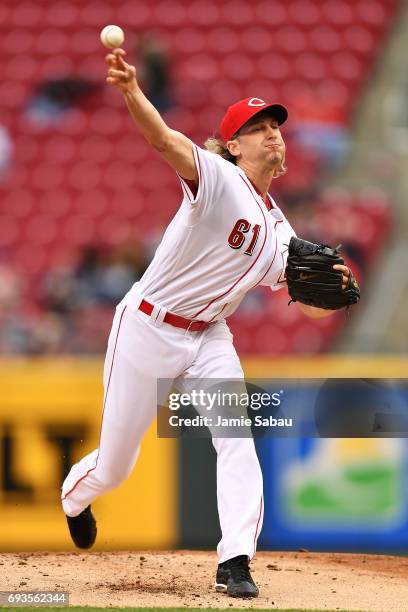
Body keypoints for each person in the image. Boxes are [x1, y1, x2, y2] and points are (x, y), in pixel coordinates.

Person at [61, 48, 352, 598]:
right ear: (233, 145)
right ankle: (75, 496)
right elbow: (164, 141)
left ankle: (235, 561)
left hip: (209, 338)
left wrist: (336, 296)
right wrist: (131, 91)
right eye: (258, 128)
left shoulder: (283, 233)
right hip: (147, 327)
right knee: (116, 466)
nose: (272, 135)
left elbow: (308, 304)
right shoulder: (218, 179)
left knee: (236, 438)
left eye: (276, 127)